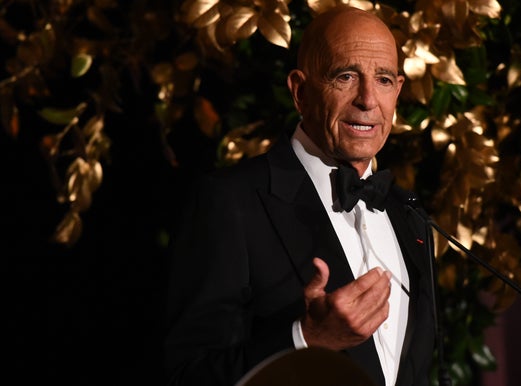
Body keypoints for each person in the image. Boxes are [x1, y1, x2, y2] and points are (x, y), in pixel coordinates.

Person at [164, 6, 436, 386]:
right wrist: (306, 339)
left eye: (385, 80)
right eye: (345, 76)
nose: (368, 99)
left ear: (399, 91)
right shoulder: (230, 202)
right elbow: (184, 375)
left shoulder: (410, 215)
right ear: (300, 91)